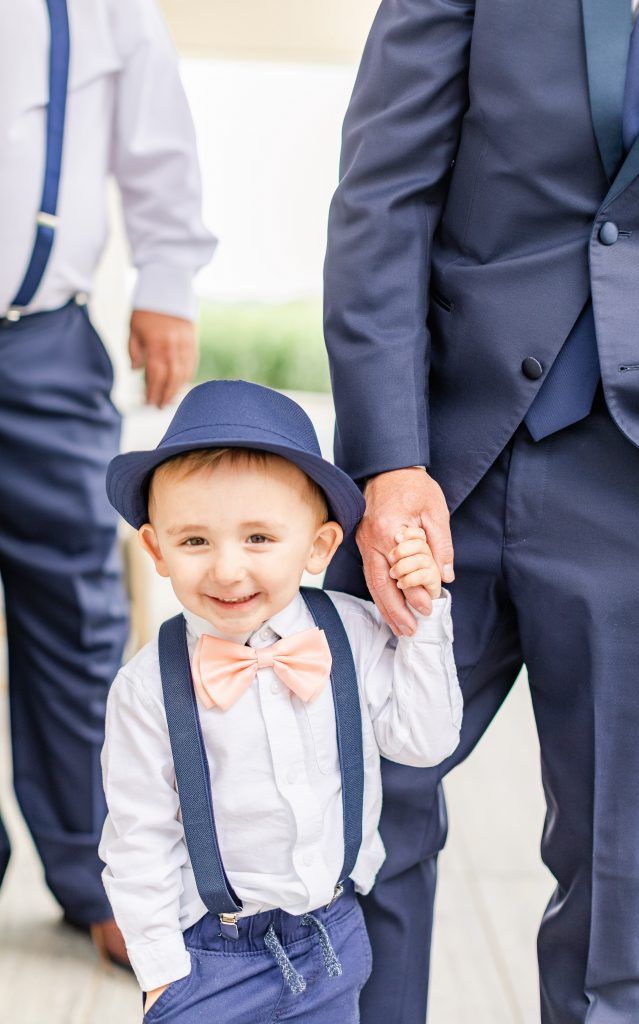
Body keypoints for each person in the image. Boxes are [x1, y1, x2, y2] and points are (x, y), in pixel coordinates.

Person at [323, 0, 639, 1021]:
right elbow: (382, 193)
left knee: (624, 867)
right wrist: (390, 459)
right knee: (352, 813)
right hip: (442, 459)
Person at [98, 379, 462, 1021]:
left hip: (329, 939)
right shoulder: (147, 686)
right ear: (156, 548)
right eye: (194, 541)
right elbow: (138, 838)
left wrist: (425, 621)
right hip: (206, 957)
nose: (228, 569)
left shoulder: (352, 634)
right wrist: (160, 974)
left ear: (319, 546)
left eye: (259, 539)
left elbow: (424, 742)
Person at [0, 0, 215, 964]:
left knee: (77, 614)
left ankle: (101, 880)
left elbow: (156, 138)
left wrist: (166, 281)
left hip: (38, 336)